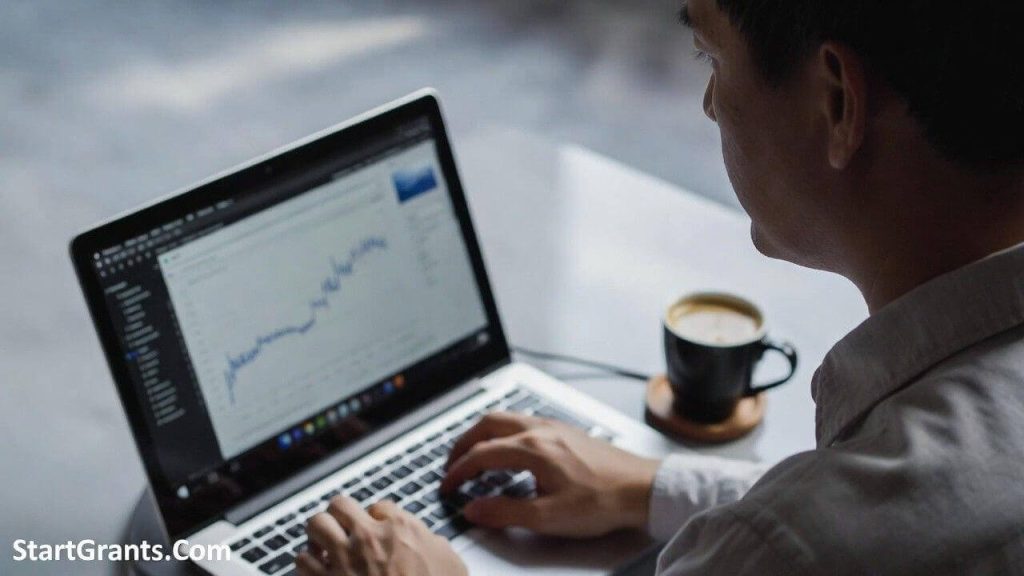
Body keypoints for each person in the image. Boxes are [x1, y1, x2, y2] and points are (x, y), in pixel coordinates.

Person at [296, 0, 1024, 573]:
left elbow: (823, 542)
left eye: (711, 54)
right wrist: (653, 489)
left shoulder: (786, 554)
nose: (708, 104)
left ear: (835, 102)